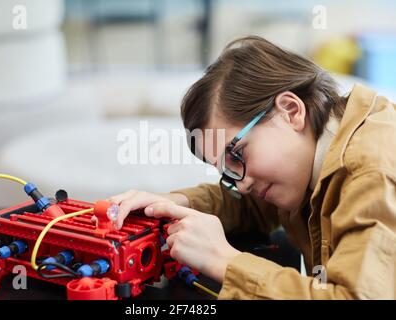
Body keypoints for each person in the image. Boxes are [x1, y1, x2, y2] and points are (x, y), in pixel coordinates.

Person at [109, 36, 396, 299]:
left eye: (237, 153)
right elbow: (250, 207)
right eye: (226, 169)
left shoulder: (370, 171)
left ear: (291, 111)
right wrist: (171, 204)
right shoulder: (314, 156)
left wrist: (224, 261)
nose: (242, 184)